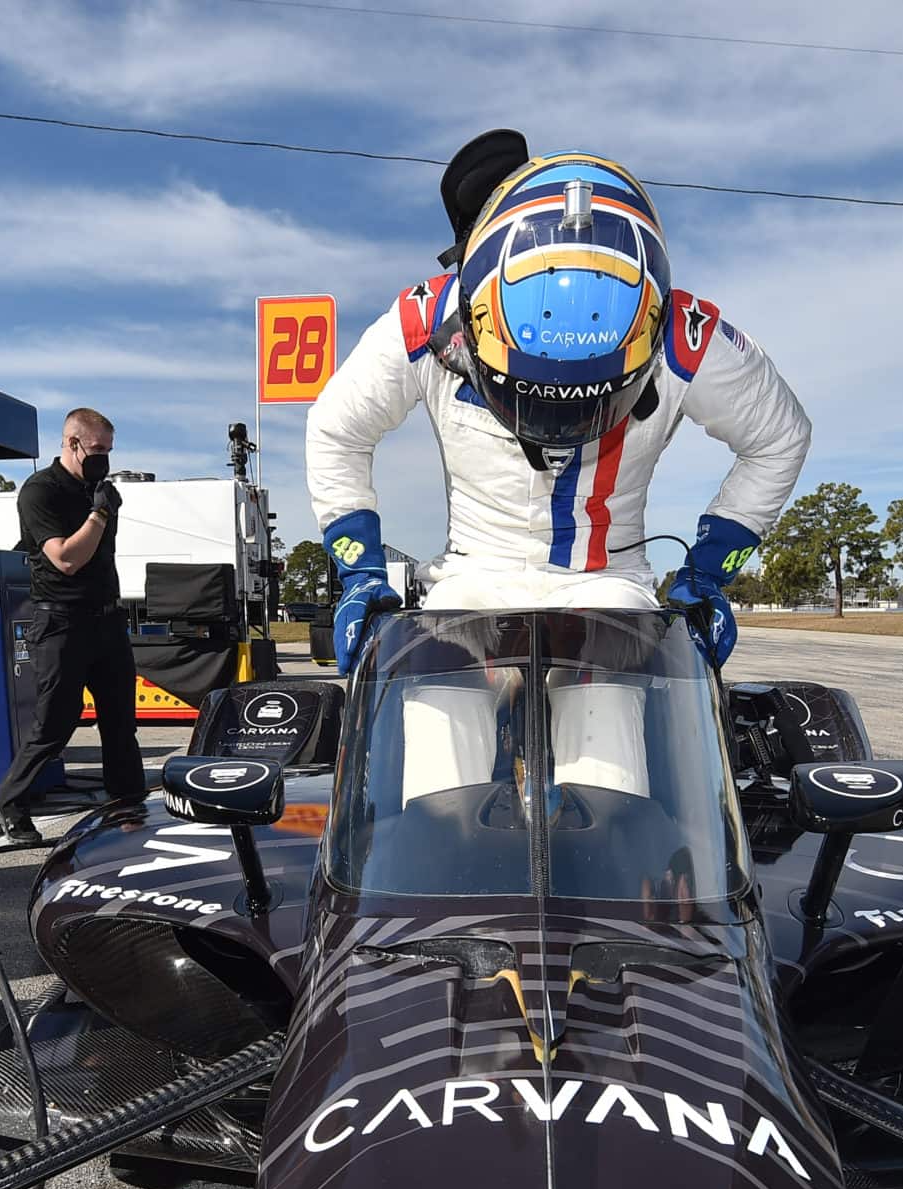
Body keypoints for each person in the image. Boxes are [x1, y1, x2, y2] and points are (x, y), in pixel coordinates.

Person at [309, 140, 809, 790]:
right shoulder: (423, 320)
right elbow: (336, 427)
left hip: (606, 582)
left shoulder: (689, 333)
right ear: (476, 313)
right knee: (436, 782)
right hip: (473, 579)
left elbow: (779, 436)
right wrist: (359, 573)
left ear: (648, 321)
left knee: (609, 786)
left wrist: (710, 574)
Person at [0, 408, 144, 842]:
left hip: (107, 620)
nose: (104, 459)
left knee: (120, 722)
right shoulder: (41, 491)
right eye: (97, 450)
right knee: (56, 722)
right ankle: (10, 801)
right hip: (61, 621)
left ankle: (128, 805)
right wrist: (97, 516)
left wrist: (101, 506)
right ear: (72, 443)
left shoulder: (99, 490)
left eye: (109, 451)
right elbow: (65, 559)